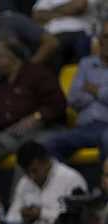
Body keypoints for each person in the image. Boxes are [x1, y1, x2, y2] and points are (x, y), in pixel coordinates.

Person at [0, 39, 66, 177]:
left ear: (14, 57)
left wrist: (36, 116)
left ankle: (22, 198)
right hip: (9, 135)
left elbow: (58, 104)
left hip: (42, 130)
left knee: (28, 149)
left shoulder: (38, 74)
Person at [41, 20, 108, 163]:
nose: (107, 41)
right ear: (100, 39)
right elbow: (73, 98)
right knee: (50, 144)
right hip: (84, 127)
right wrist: (102, 93)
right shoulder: (86, 63)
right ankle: (68, 184)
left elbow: (87, 93)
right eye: (105, 36)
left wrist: (94, 90)